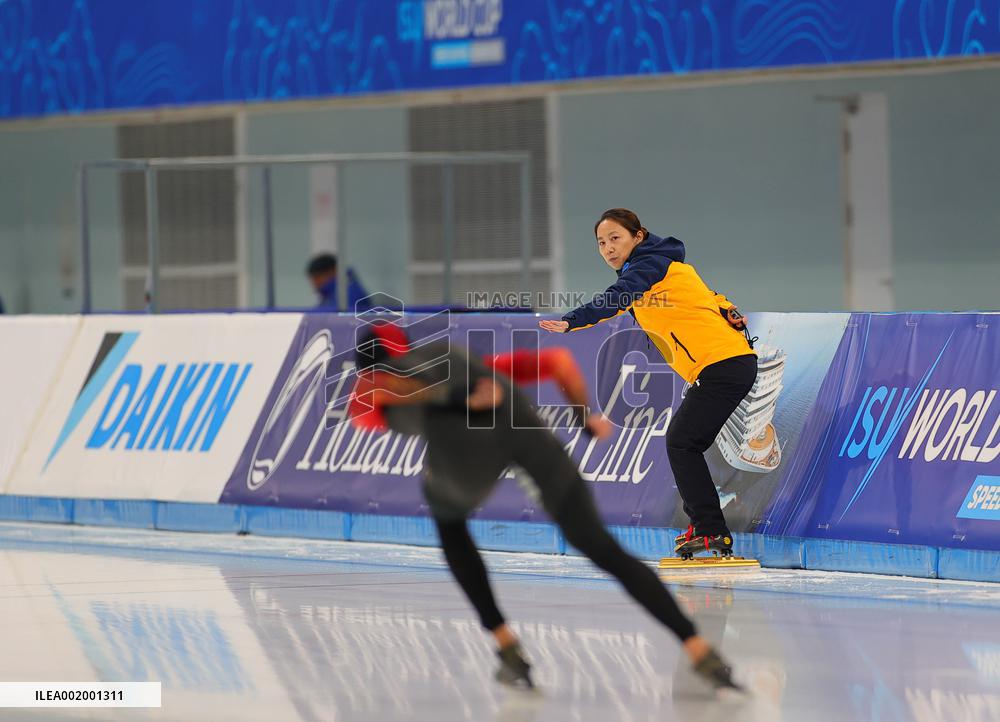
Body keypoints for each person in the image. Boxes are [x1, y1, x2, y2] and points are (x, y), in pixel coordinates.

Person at [347, 321, 740, 691]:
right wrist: (585, 417)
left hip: (463, 454)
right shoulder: (464, 359)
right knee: (600, 546)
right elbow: (558, 362)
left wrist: (452, 396)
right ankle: (697, 647)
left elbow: (372, 394)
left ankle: (505, 642)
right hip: (524, 431)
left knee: (448, 519)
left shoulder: (372, 387)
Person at [539, 208, 757, 559]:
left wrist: (572, 321)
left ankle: (710, 530)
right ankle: (705, 526)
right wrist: (729, 311)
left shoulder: (649, 267)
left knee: (682, 442)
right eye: (601, 242)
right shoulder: (665, 267)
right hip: (723, 364)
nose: (608, 248)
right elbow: (711, 297)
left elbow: (617, 298)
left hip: (723, 365)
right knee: (684, 442)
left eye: (616, 238)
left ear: (638, 236)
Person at [306, 253, 372, 311]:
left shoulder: (347, 293)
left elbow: (343, 321)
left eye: (317, 277)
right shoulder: (332, 295)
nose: (314, 283)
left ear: (332, 271)